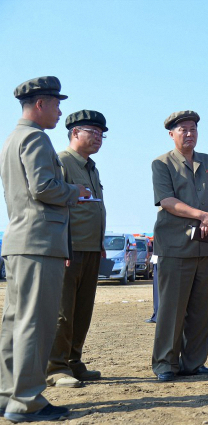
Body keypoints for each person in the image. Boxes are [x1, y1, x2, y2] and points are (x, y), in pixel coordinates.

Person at [0, 76, 90, 422]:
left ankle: (9, 394)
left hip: (21, 241)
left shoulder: (13, 138)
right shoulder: (36, 139)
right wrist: (74, 192)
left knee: (14, 322)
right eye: (55, 104)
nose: (58, 110)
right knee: (35, 324)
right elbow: (44, 188)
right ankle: (26, 402)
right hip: (40, 243)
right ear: (40, 104)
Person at [151, 110, 208, 382]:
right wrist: (201, 215)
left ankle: (194, 362)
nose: (189, 133)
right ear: (172, 134)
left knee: (202, 311)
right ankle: (165, 364)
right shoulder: (162, 164)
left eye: (193, 129)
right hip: (175, 247)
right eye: (184, 129)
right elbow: (167, 201)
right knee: (172, 309)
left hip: (205, 247)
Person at [47, 110, 109, 389]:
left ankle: (73, 362)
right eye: (92, 132)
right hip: (69, 250)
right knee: (63, 311)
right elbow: (55, 206)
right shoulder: (61, 161)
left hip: (91, 249)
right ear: (74, 133)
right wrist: (63, 247)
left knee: (82, 311)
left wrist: (100, 243)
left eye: (101, 134)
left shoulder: (91, 166)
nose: (98, 138)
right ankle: (55, 367)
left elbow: (91, 207)